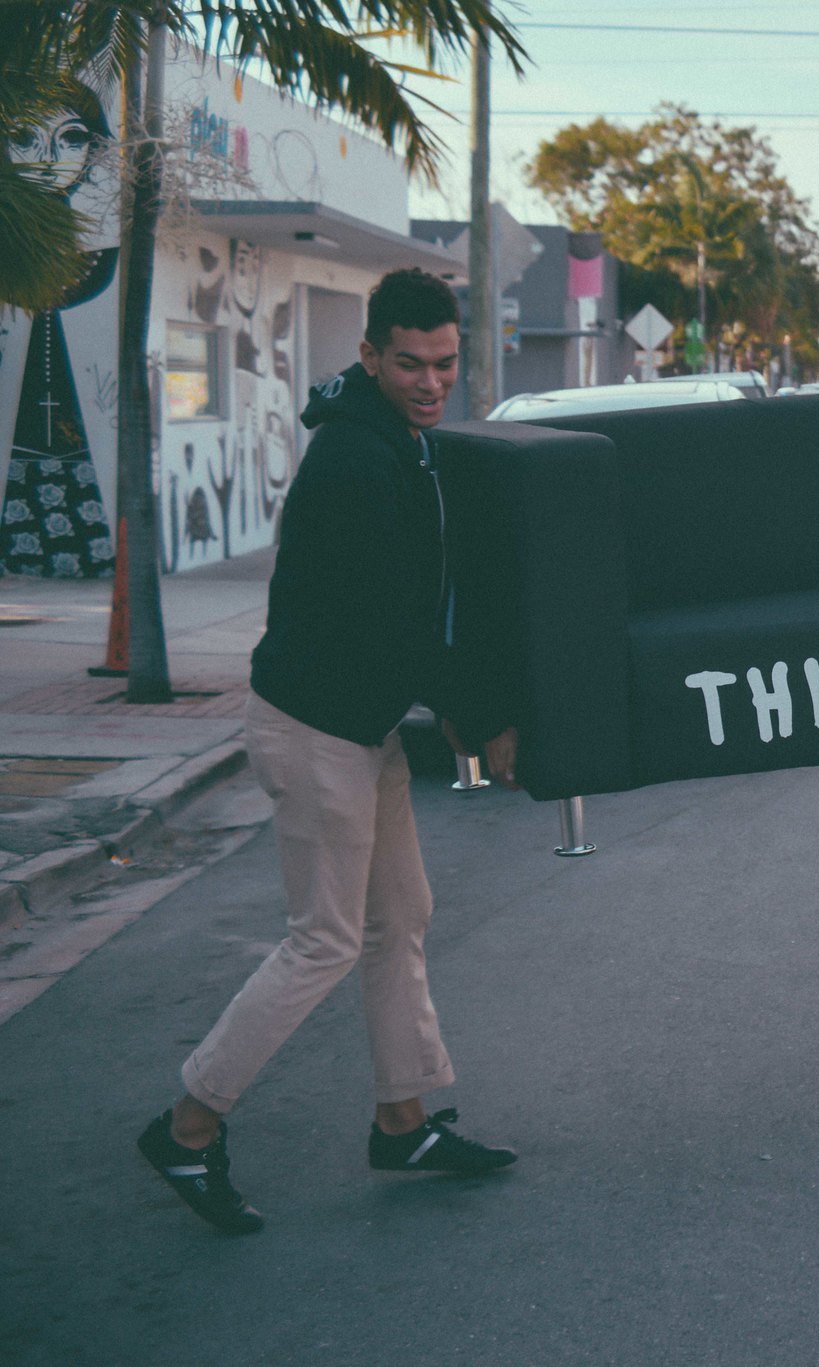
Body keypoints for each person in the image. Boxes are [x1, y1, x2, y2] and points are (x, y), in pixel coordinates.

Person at [138, 268, 520, 1233]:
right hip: (314, 728)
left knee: (403, 914)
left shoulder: (398, 441)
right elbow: (397, 625)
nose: (430, 381)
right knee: (327, 937)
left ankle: (404, 1119)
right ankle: (187, 1128)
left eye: (443, 364)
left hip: (360, 720)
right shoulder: (359, 461)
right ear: (369, 355)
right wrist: (482, 721)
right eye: (408, 364)